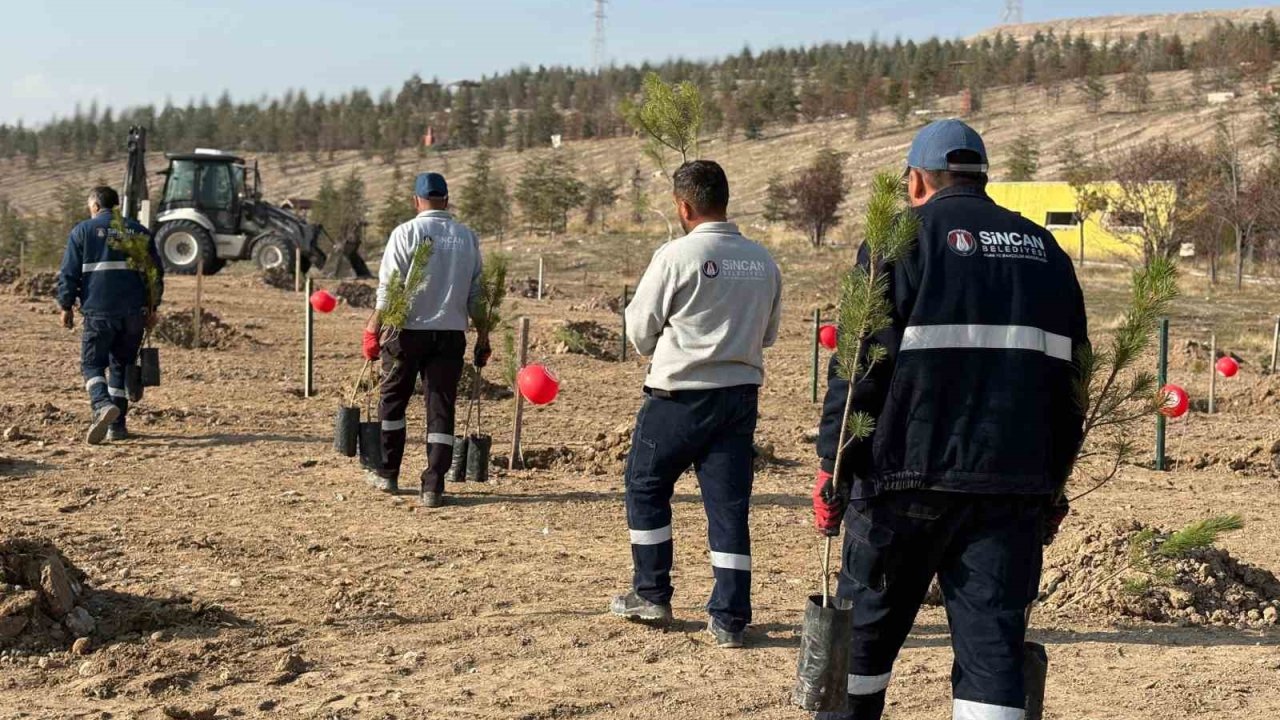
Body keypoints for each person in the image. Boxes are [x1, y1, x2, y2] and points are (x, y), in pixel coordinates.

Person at [811, 119, 1089, 720]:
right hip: (1011, 491)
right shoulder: (1047, 254)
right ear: (983, 181)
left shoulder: (898, 243)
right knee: (993, 663)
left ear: (916, 181)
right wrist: (1052, 485)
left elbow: (859, 364)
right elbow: (1074, 386)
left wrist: (833, 461)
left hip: (900, 484)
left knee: (860, 653)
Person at [609, 160, 783, 649]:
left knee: (645, 485)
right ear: (725, 199)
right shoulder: (763, 260)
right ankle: (729, 619)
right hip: (739, 401)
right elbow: (767, 335)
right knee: (728, 508)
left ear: (683, 206)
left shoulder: (674, 256)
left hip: (678, 399)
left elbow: (640, 334)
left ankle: (652, 594)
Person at [362, 172, 488, 508]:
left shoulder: (406, 233)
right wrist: (484, 335)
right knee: (441, 408)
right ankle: (433, 485)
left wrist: (373, 326)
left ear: (416, 201)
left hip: (406, 333)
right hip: (449, 336)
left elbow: (389, 286)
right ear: (446, 200)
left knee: (393, 402)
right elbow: (477, 293)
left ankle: (387, 472)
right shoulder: (467, 238)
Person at [56, 186, 164, 445]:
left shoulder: (82, 231)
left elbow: (69, 274)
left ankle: (101, 404)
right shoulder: (138, 231)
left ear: (95, 206)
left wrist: (65, 305)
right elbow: (155, 275)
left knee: (92, 364)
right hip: (134, 314)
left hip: (99, 312)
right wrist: (152, 308)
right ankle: (117, 426)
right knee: (122, 365)